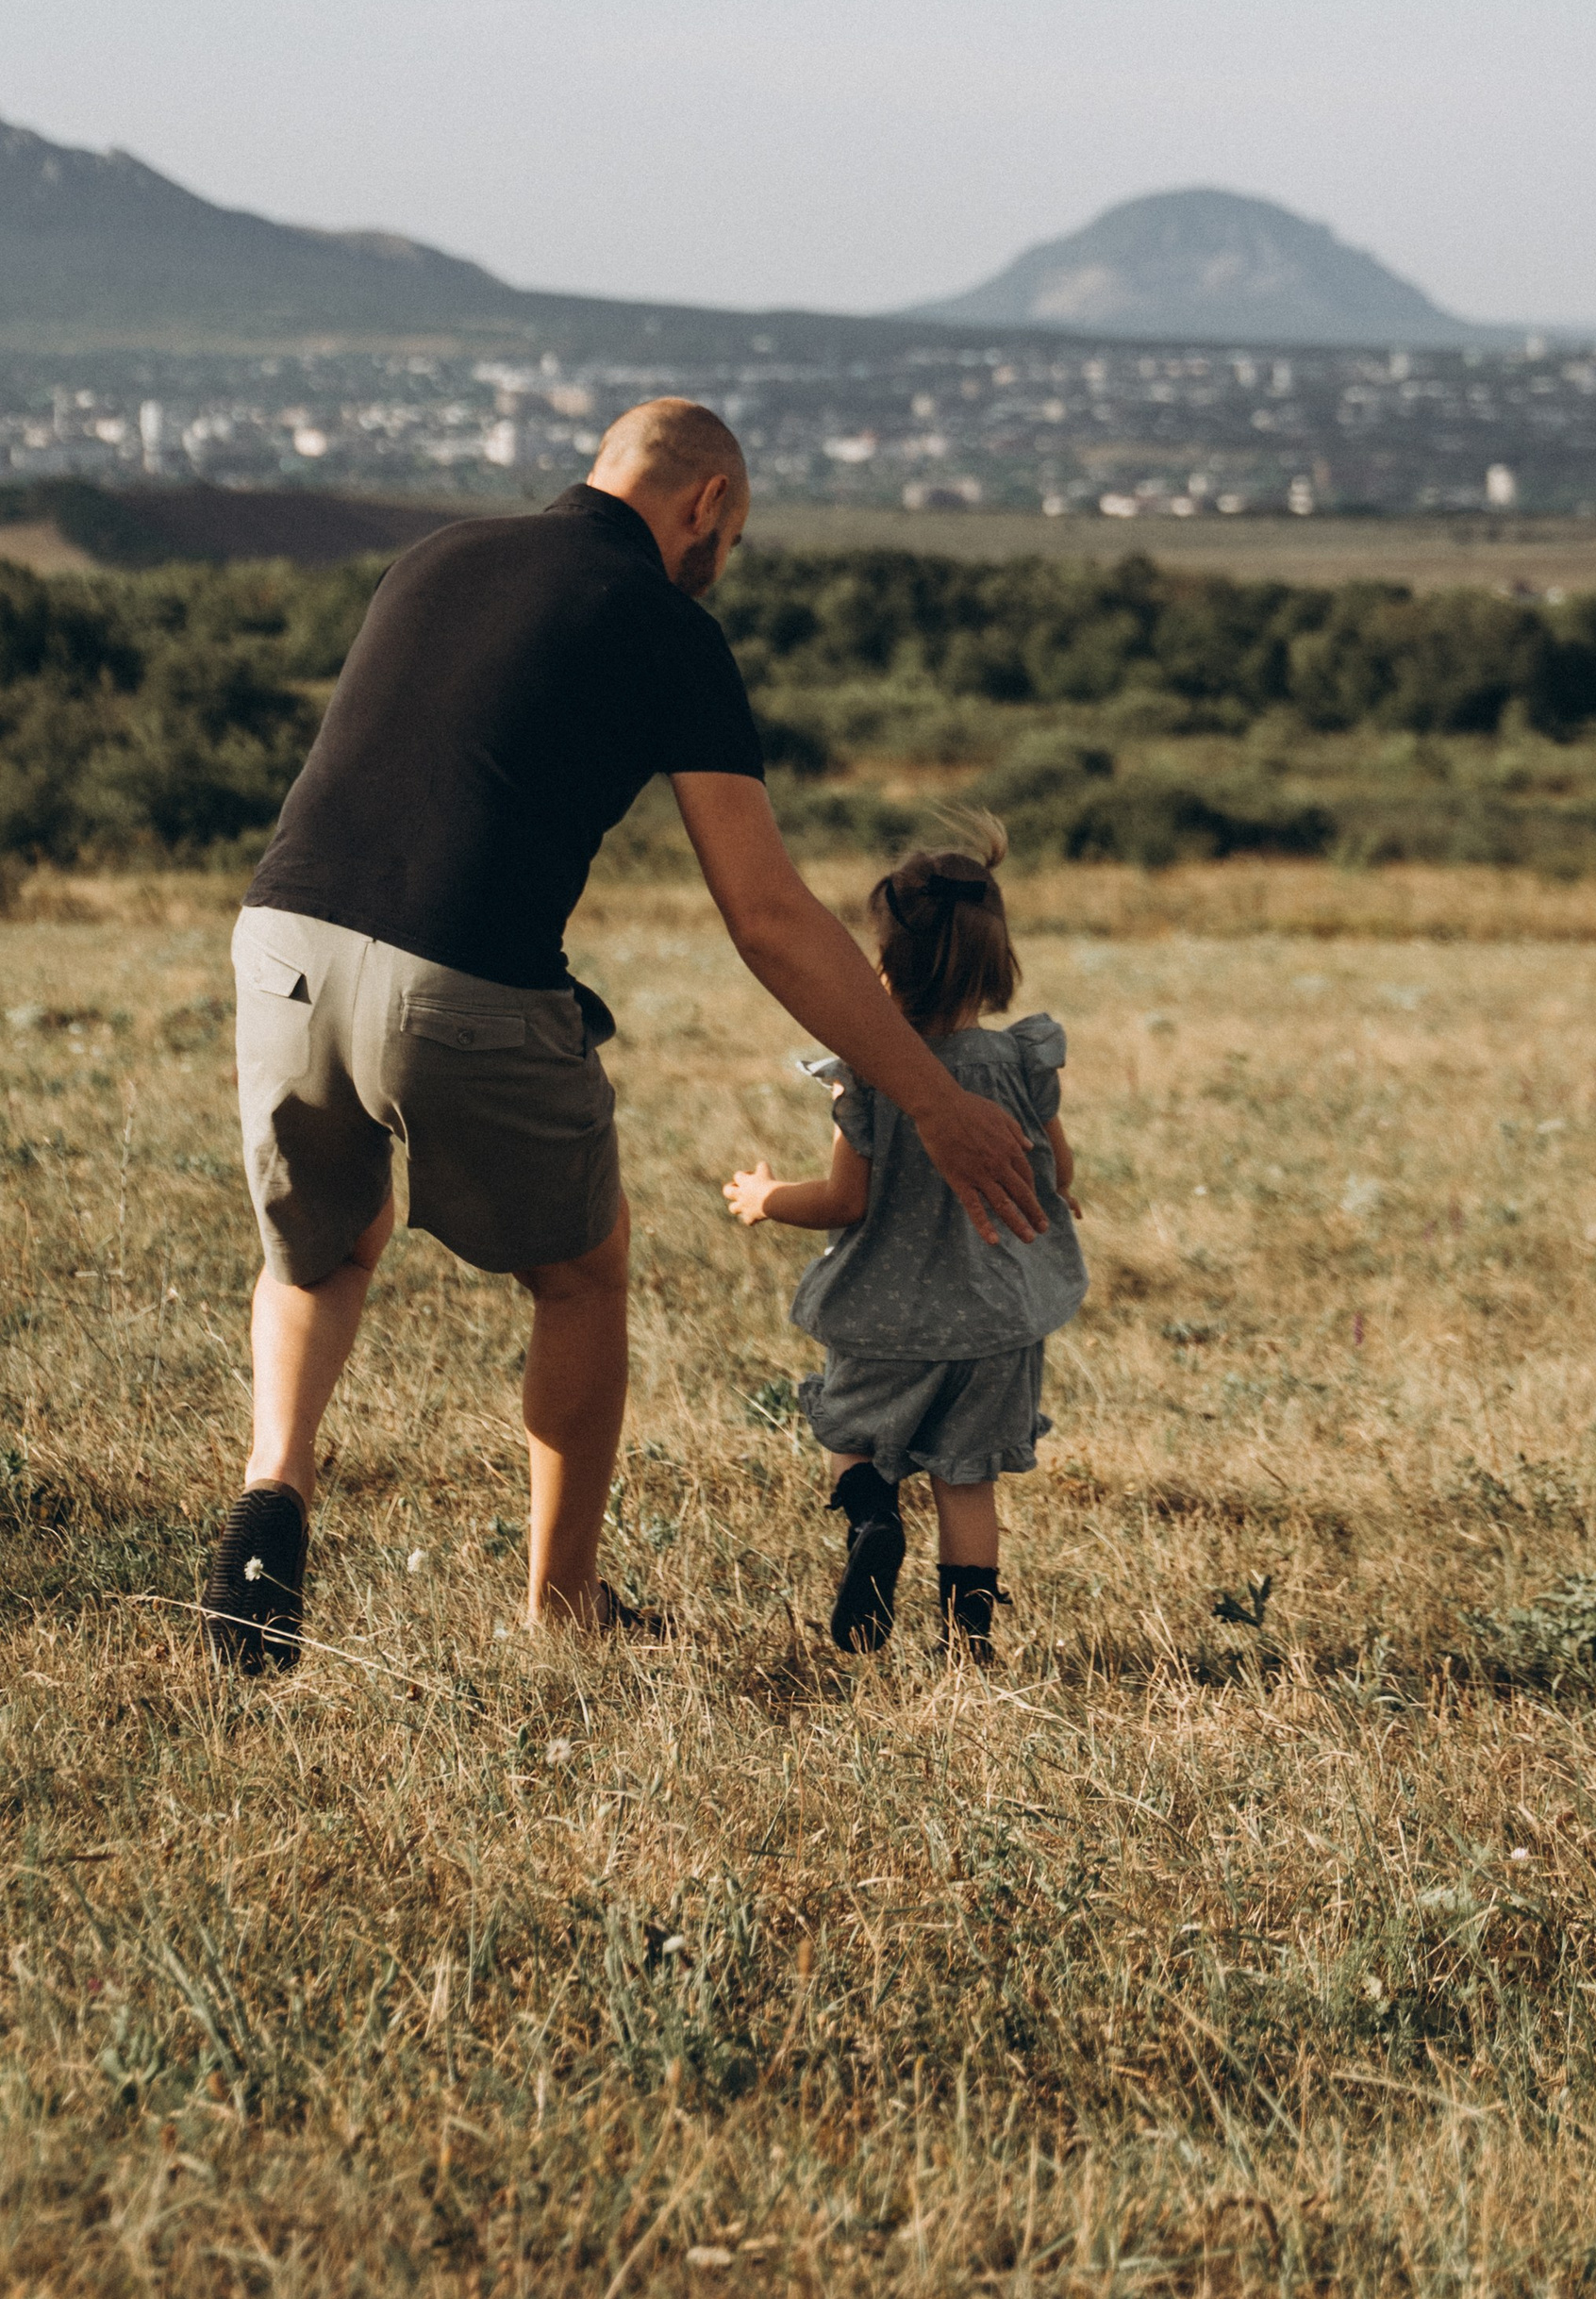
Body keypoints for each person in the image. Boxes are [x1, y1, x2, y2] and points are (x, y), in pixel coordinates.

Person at [205, 401, 1048, 1673]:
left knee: (319, 1251)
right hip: (461, 974)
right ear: (706, 504)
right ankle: (563, 1602)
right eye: (734, 537)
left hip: (278, 941)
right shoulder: (667, 626)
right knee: (581, 1271)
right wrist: (931, 1096)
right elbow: (766, 914)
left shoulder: (438, 554)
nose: (724, 561)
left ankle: (274, 1489)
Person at [723, 814, 1083, 1662]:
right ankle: (968, 1644)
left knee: (850, 1436)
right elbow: (1056, 1169)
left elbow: (844, 1199)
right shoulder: (1022, 1062)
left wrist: (767, 1197)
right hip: (995, 1323)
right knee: (968, 1479)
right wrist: (1055, 1192)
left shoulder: (874, 1074)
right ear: (996, 962)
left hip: (888, 1317)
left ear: (884, 964)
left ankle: (875, 1519)